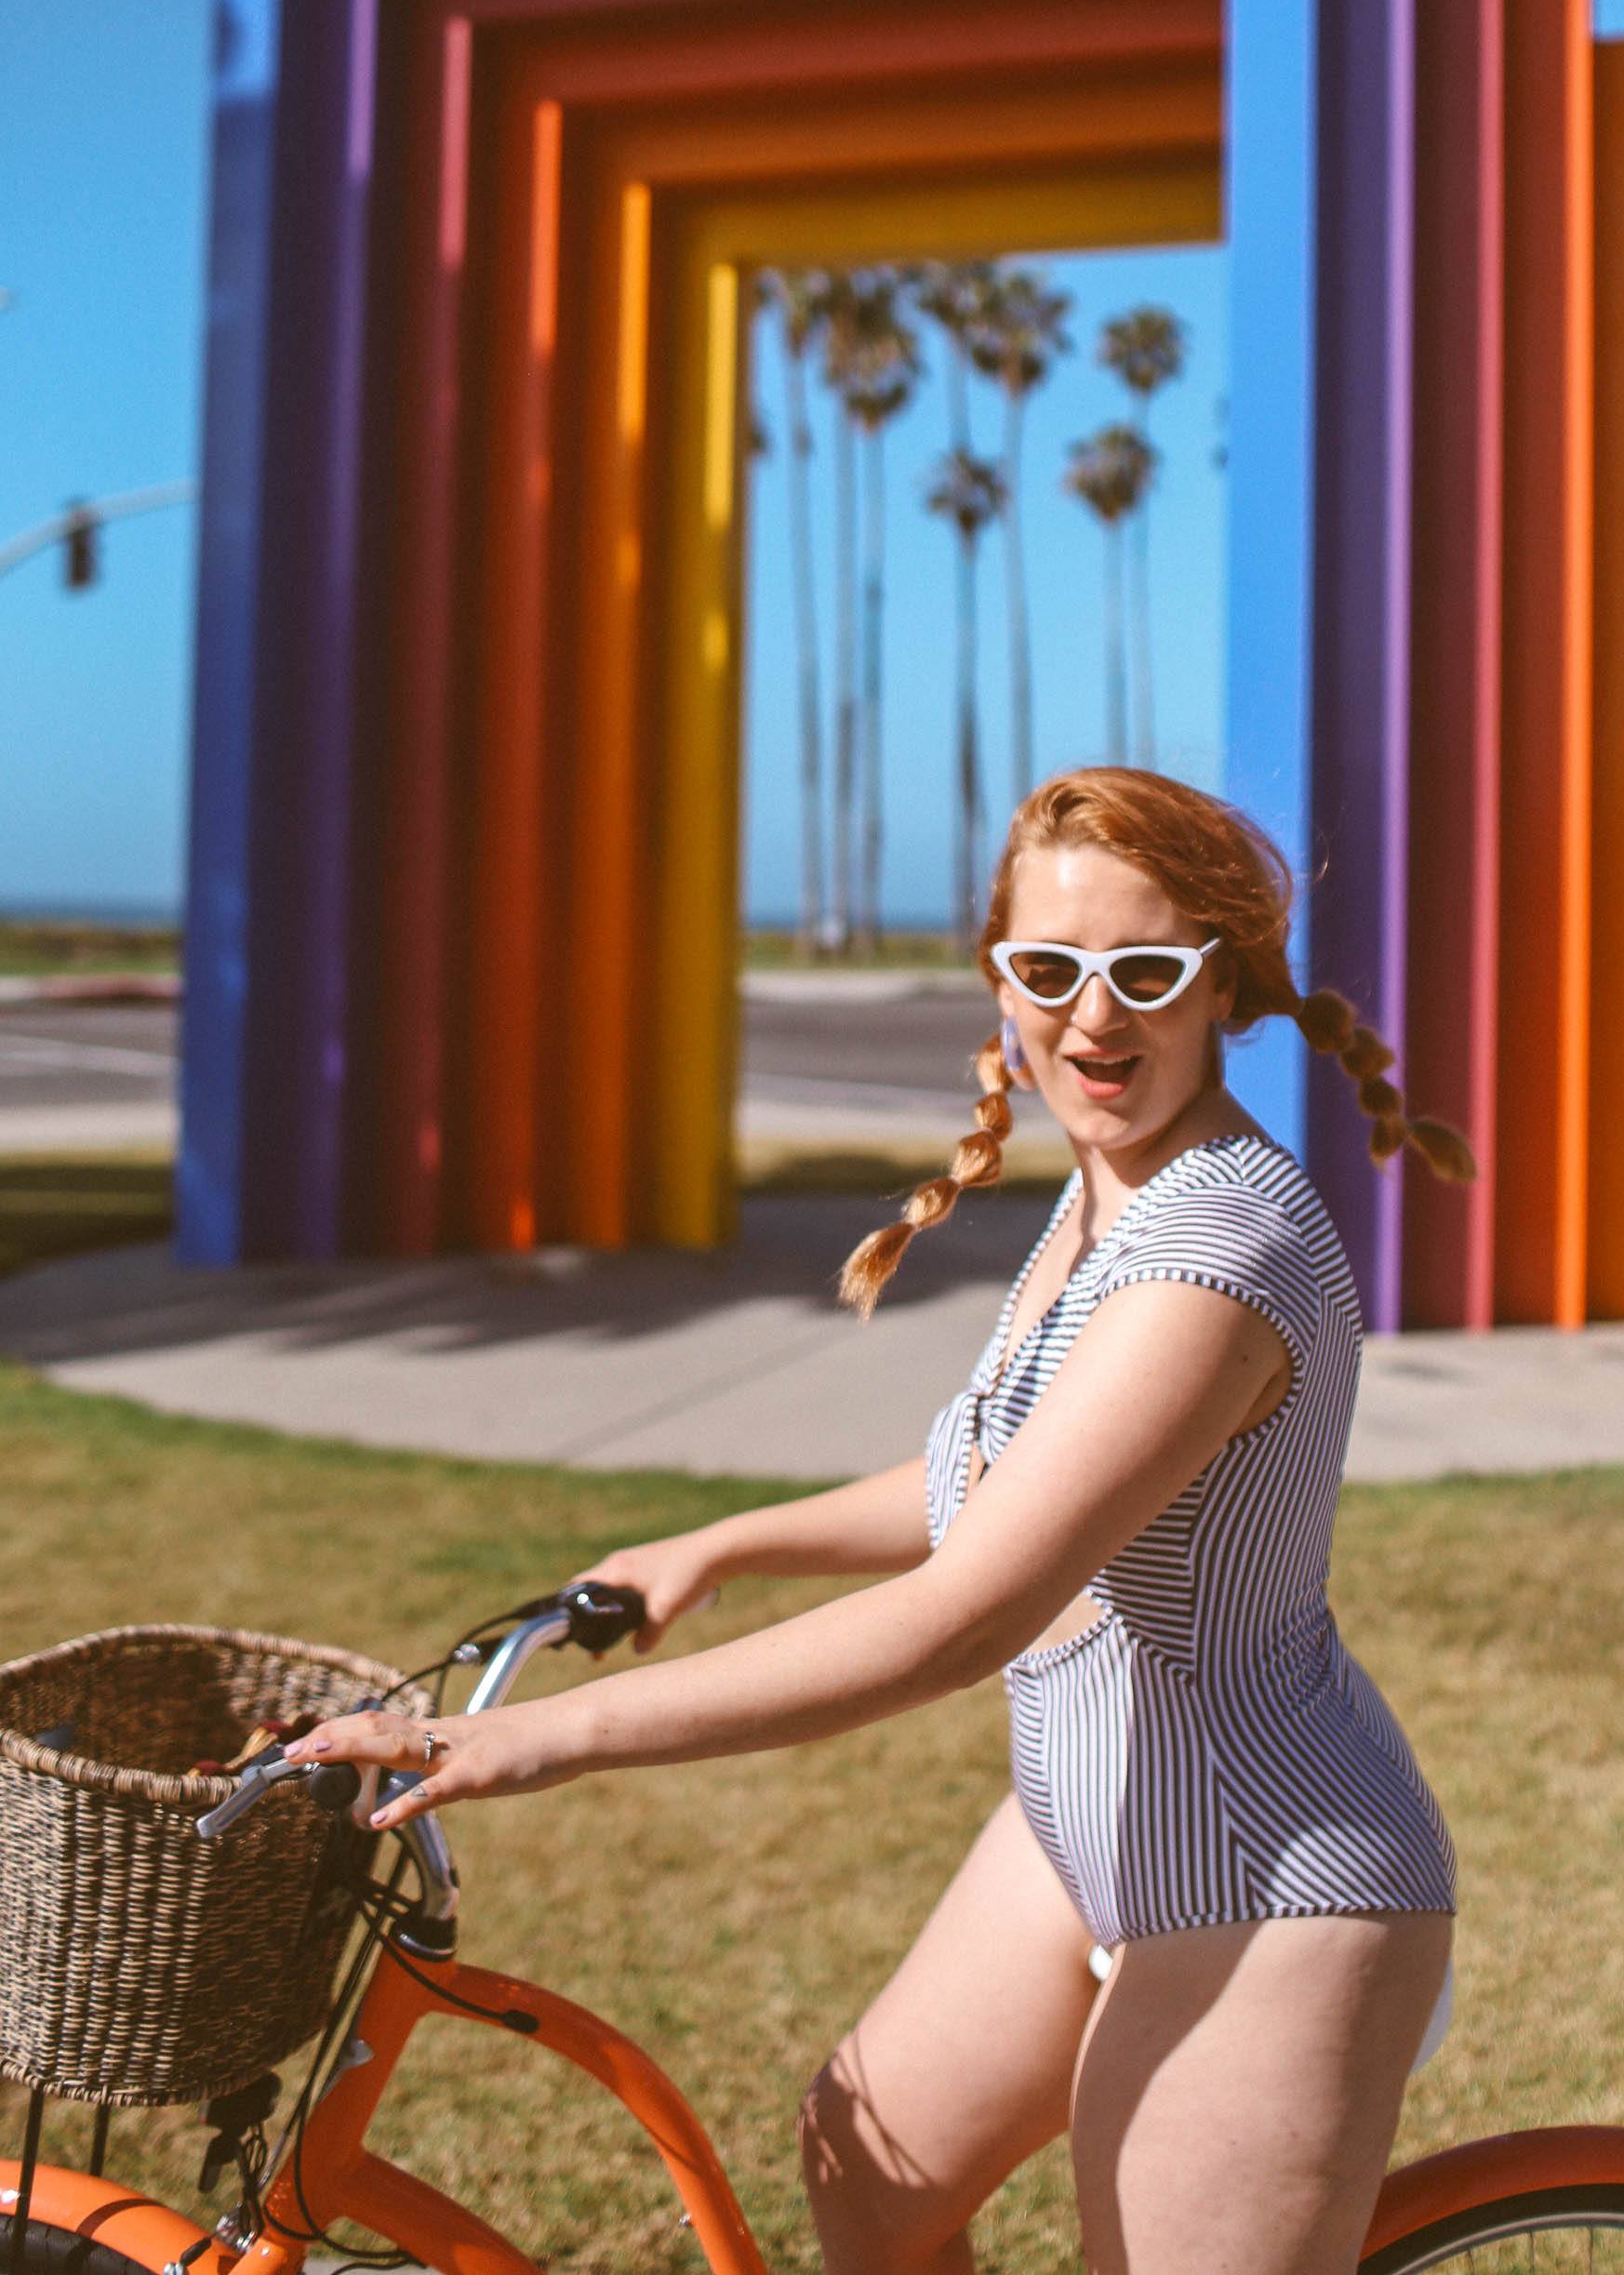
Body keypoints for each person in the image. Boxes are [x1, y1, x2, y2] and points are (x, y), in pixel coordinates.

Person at [293, 765, 1474, 2275]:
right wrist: (721, 1543)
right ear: (1000, 981)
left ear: (1223, 985)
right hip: (1084, 1824)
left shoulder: (1214, 1254)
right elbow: (988, 1478)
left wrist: (529, 1740)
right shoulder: (1117, 1180)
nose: (1093, 1018)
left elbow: (962, 1616)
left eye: (1145, 972)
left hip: (1268, 1882)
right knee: (868, 2176)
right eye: (1050, 970)